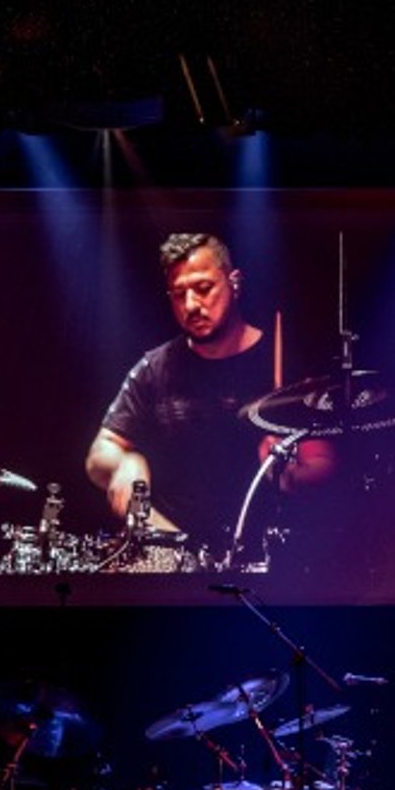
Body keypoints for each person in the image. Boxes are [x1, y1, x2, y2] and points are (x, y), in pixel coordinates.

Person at [84, 233, 334, 555]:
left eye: (203, 289)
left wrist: (293, 475)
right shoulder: (154, 369)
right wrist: (126, 461)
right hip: (174, 556)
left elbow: (323, 463)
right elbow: (98, 455)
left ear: (234, 282)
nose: (190, 305)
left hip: (267, 559)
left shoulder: (284, 363)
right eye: (178, 294)